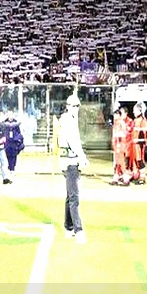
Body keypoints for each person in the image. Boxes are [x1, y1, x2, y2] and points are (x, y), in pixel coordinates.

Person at [58, 94, 89, 243]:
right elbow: (73, 142)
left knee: (70, 195)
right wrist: (82, 157)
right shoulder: (68, 121)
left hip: (70, 161)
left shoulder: (69, 120)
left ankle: (68, 227)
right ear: (68, 106)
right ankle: (78, 230)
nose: (76, 108)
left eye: (77, 106)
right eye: (74, 106)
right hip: (69, 162)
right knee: (74, 197)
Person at [2, 108, 26, 179]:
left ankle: (13, 168)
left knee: (14, 155)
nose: (10, 116)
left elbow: (19, 132)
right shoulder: (4, 122)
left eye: (11, 114)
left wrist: (19, 140)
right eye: (9, 114)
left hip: (14, 141)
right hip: (7, 141)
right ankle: (10, 168)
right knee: (8, 155)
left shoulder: (16, 122)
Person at [110, 108, 129, 186]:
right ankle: (116, 177)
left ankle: (125, 178)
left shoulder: (120, 123)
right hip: (117, 144)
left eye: (116, 114)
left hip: (120, 144)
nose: (114, 116)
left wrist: (117, 144)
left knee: (121, 162)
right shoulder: (117, 123)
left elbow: (121, 134)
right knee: (117, 162)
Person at [130, 103, 147, 184]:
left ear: (139, 111)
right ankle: (136, 175)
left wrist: (141, 141)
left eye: (135, 110)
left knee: (139, 160)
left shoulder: (143, 120)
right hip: (134, 144)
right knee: (135, 160)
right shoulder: (135, 120)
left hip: (139, 144)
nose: (133, 112)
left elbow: (144, 132)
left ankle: (142, 177)